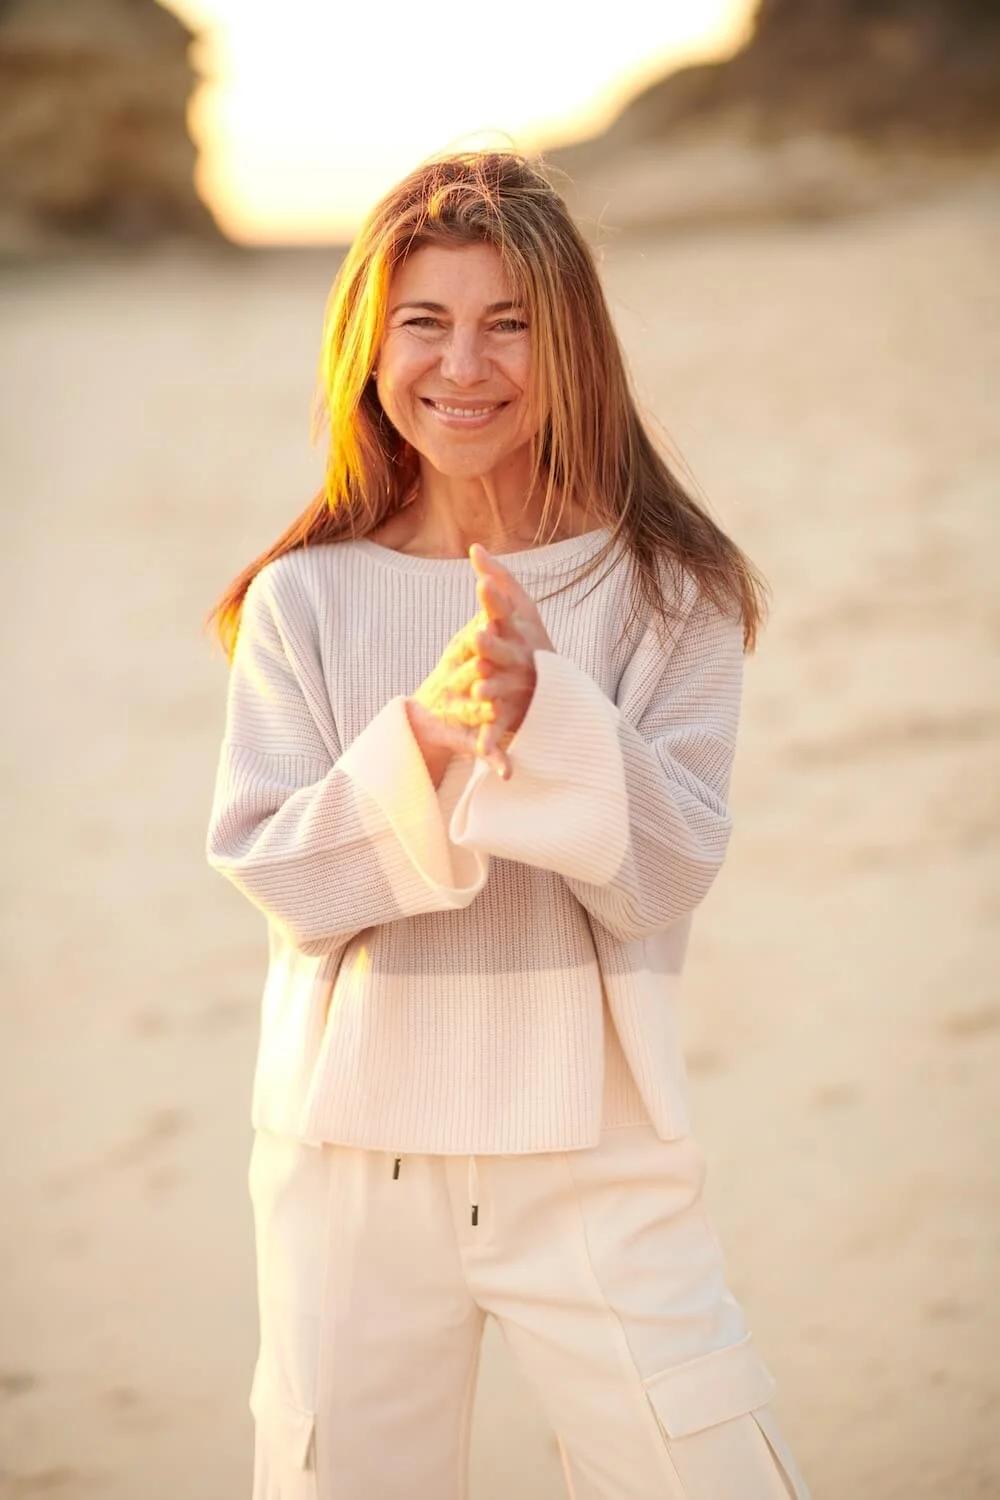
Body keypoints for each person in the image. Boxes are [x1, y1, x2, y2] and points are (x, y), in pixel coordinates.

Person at [205, 150, 810, 1500]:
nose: (462, 366)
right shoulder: (303, 598)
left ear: (573, 345)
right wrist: (425, 734)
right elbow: (279, 874)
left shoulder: (669, 588)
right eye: (424, 321)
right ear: (371, 344)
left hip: (597, 1152)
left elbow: (665, 877)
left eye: (509, 324)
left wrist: (554, 711)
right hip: (349, 1162)